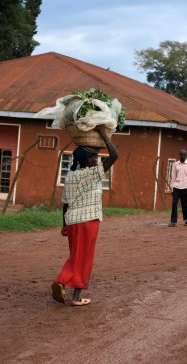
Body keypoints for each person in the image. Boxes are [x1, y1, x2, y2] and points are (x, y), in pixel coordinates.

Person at [51, 124, 118, 306]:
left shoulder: (70, 176)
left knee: (77, 255)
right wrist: (104, 134)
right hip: (88, 221)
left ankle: (74, 295)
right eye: (94, 156)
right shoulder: (92, 174)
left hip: (72, 222)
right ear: (86, 160)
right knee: (84, 257)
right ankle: (62, 282)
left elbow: (65, 204)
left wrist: (64, 225)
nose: (97, 159)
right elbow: (115, 155)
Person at [168, 149, 187, 227]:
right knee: (174, 203)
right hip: (176, 186)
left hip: (185, 187)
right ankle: (173, 221)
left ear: (186, 155)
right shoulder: (176, 164)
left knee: (185, 204)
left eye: (184, 154)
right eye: (181, 154)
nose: (183, 156)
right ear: (179, 155)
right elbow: (173, 176)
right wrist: (172, 188)